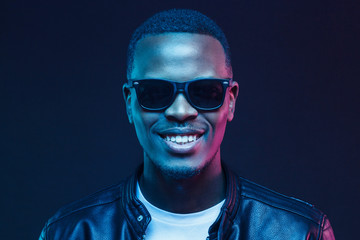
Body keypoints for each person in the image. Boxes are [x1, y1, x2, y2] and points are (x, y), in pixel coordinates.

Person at [39, 9, 335, 240]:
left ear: (230, 101)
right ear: (130, 103)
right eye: (155, 93)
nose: (181, 111)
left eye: (205, 91)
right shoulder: (70, 232)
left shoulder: (299, 232)